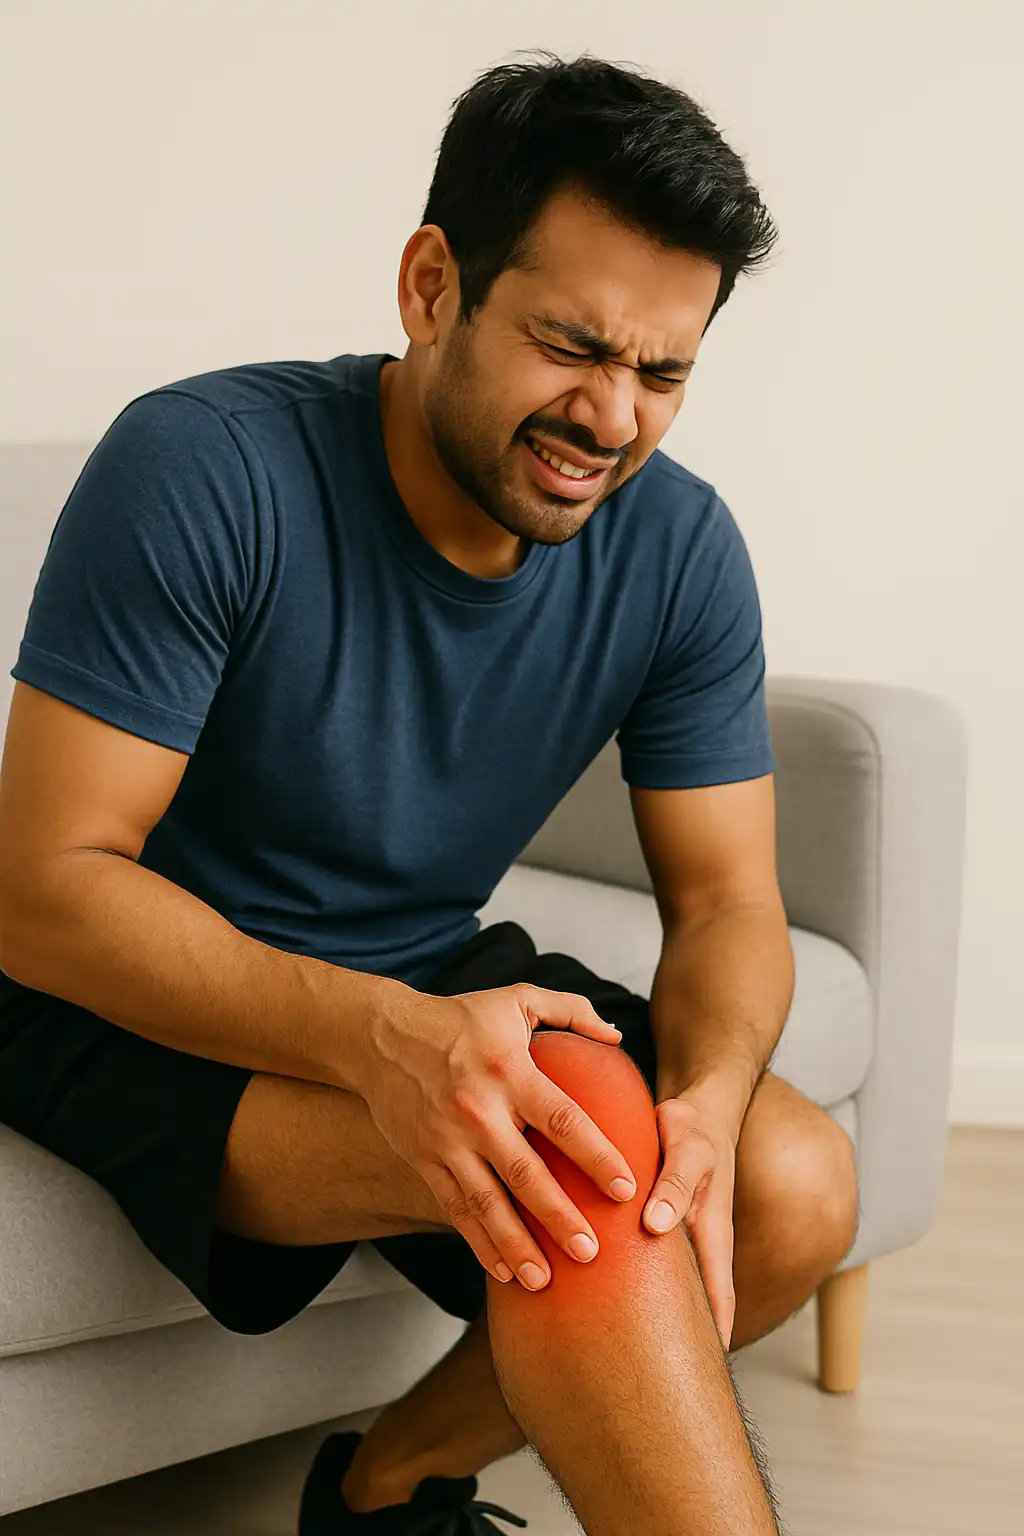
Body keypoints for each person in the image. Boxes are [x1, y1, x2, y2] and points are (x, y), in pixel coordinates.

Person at [0, 49, 859, 1536]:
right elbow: (43, 896)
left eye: (662, 372)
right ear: (430, 284)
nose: (612, 417)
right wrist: (383, 1036)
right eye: (571, 345)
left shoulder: (680, 549)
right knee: (580, 1133)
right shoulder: (204, 466)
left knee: (786, 1174)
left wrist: (708, 1103)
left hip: (405, 968)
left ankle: (390, 1488)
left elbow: (727, 899)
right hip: (118, 999)